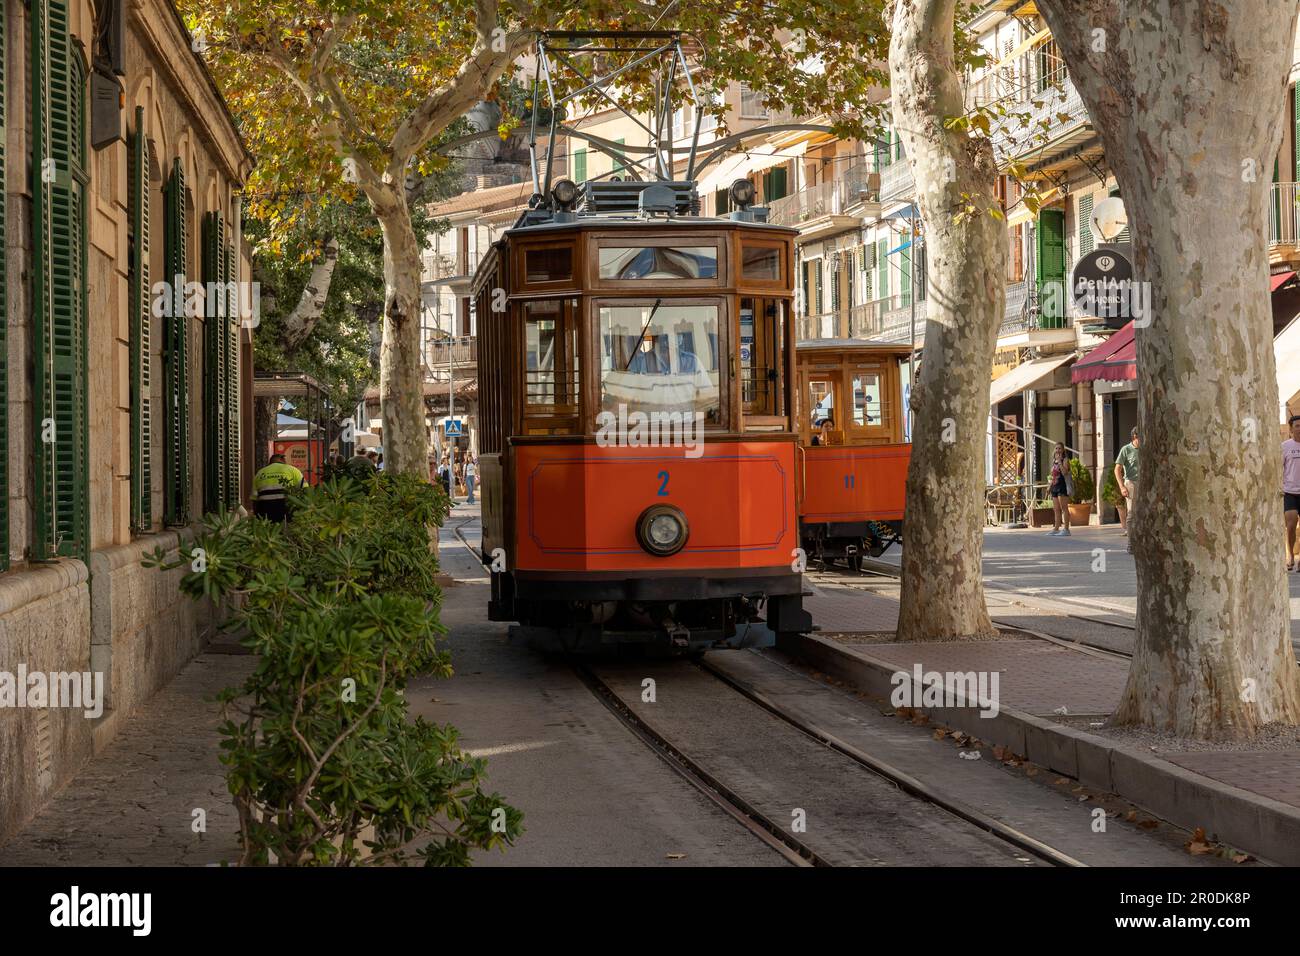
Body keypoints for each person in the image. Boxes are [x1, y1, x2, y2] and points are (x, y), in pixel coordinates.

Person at [252, 452, 304, 523]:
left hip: (265, 508)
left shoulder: (259, 473)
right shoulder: (293, 470)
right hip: (285, 508)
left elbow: (254, 498)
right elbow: (305, 490)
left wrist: (256, 515)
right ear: (282, 460)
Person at [1114, 426, 1140, 554]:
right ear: (1135, 436)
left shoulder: (1146, 449)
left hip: (1145, 483)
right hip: (1131, 483)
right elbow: (1117, 469)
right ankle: (1131, 543)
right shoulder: (1126, 449)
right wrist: (1122, 487)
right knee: (1131, 514)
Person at [1283, 416, 1300, 570]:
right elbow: (1279, 468)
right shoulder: (1285, 446)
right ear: (1291, 429)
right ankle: (1290, 556)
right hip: (1290, 492)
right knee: (1291, 524)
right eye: (1297, 426)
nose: (1299, 428)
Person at [1046, 442, 1072, 537]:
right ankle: (1056, 528)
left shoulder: (1065, 460)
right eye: (1056, 448)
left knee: (1064, 508)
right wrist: (1049, 486)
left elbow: (1065, 472)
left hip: (1063, 486)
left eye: (1059, 448)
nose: (1058, 450)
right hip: (1055, 486)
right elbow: (1053, 475)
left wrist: (1060, 462)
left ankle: (1066, 529)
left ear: (1063, 450)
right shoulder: (1054, 461)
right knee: (1056, 509)